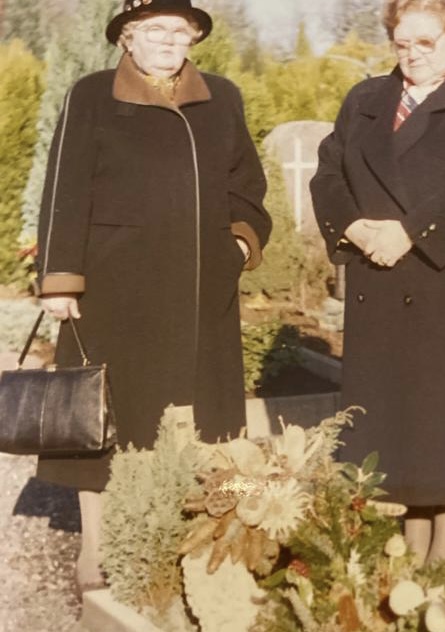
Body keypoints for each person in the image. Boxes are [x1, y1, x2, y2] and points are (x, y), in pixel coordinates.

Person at [36, 0, 271, 593]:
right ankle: (95, 545)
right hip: (114, 287)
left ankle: (211, 540)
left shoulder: (222, 97)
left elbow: (247, 184)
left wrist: (238, 244)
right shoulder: (91, 95)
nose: (169, 40)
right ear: (127, 38)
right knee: (101, 418)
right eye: (155, 29)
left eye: (180, 31)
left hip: (201, 287)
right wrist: (60, 279)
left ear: (193, 39)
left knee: (213, 417)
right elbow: (64, 187)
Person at [310, 0, 445, 582]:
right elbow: (328, 173)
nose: (412, 55)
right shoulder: (365, 99)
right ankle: (411, 527)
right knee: (397, 409)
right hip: (378, 276)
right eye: (402, 43)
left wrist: (408, 232)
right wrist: (355, 229)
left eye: (426, 42)